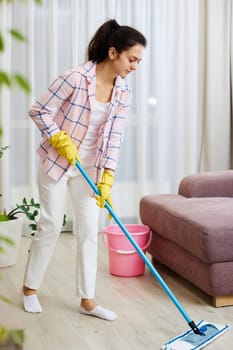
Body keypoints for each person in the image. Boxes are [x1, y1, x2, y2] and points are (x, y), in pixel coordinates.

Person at [22, 18, 146, 321]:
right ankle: (29, 289)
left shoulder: (123, 94)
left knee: (90, 230)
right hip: (58, 160)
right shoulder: (76, 78)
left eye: (139, 61)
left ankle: (87, 300)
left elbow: (115, 137)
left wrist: (107, 178)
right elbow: (38, 109)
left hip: (89, 168)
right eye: (132, 59)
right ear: (113, 52)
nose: (135, 67)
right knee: (51, 224)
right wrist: (57, 137)